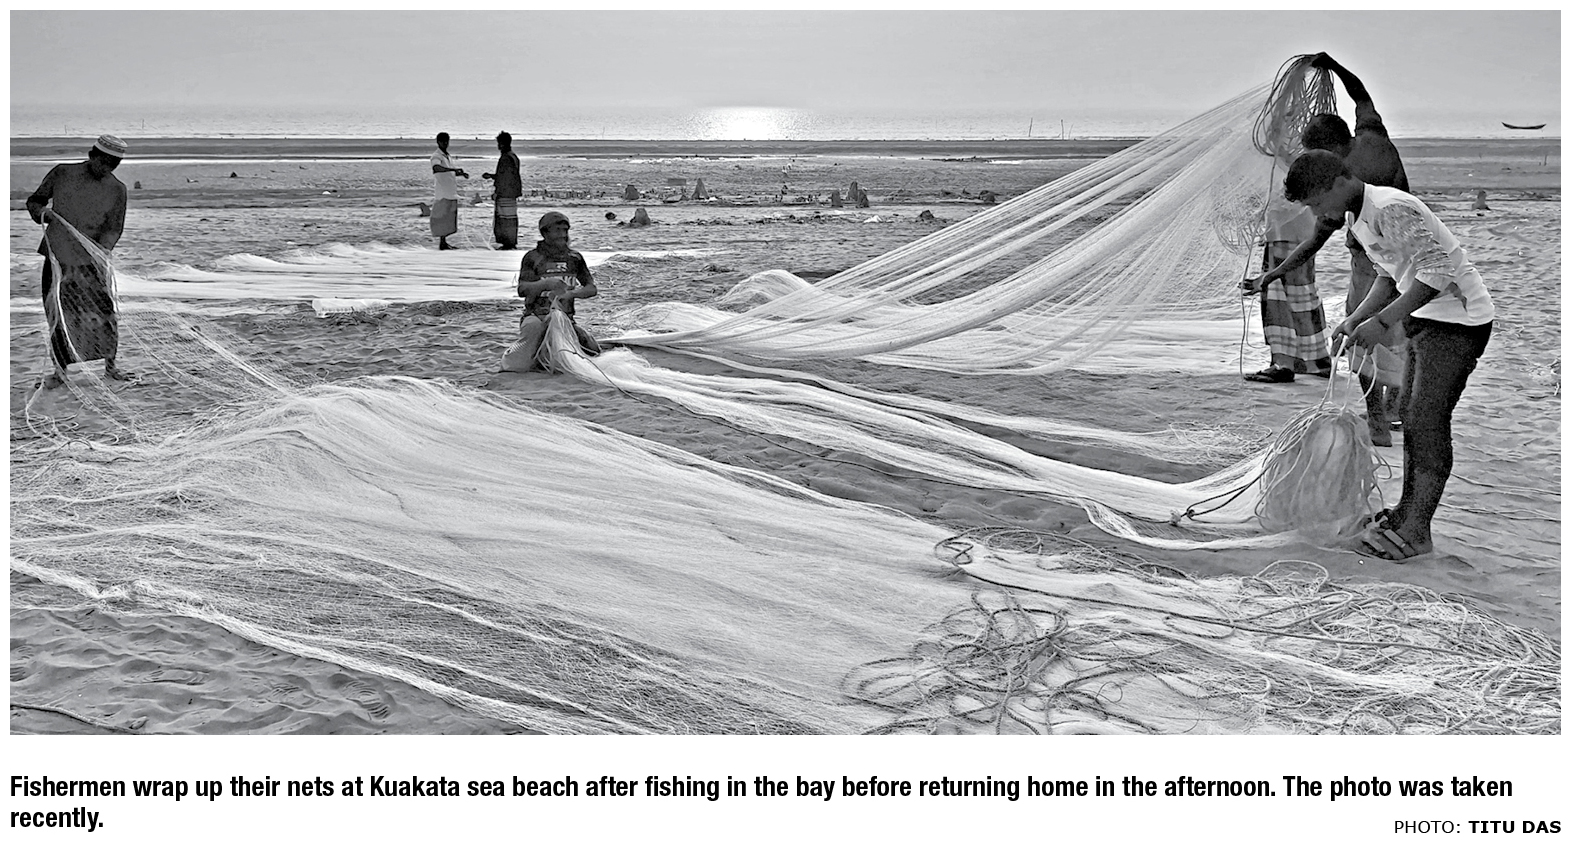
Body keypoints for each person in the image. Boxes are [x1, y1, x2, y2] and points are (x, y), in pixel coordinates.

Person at [1284, 150, 1494, 563]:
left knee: (1427, 423)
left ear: (1339, 183)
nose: (1316, 213)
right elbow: (1389, 273)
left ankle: (1417, 531)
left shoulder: (1389, 207)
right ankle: (1405, 514)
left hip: (1459, 323)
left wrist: (1381, 324)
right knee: (1413, 421)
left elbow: (1436, 273)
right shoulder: (1357, 215)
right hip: (1426, 319)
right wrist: (1356, 319)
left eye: (1317, 202)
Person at [1244, 52, 1410, 445]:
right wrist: (1333, 65)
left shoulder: (1344, 181)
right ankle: (1391, 413)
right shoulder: (1373, 136)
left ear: (1333, 148)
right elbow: (1361, 94)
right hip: (1393, 257)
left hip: (1383, 260)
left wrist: (1272, 274)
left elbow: (1315, 240)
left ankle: (1380, 420)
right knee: (1393, 337)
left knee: (1367, 335)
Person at [25, 134, 132, 388]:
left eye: (113, 165)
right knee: (59, 315)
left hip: (92, 261)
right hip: (58, 257)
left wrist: (102, 250)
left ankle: (110, 366)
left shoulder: (118, 189)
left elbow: (114, 227)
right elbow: (35, 201)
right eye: (103, 162)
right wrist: (43, 213)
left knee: (103, 313)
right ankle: (60, 371)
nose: (106, 168)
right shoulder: (63, 173)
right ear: (92, 155)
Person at [1242, 197, 1333, 383]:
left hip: (1286, 230)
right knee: (1301, 294)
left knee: (1279, 296)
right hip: (1299, 230)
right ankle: (1314, 360)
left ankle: (1284, 363)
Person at [501, 212, 602, 372]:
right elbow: (522, 289)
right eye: (557, 230)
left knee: (594, 351)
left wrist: (572, 294)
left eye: (565, 230)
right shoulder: (533, 257)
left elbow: (591, 288)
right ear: (545, 233)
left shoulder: (575, 258)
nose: (562, 235)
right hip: (536, 317)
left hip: (565, 320)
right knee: (520, 363)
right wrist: (545, 284)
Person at [480, 131, 523, 250]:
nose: (498, 146)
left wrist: (497, 192)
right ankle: (510, 242)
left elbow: (504, 178)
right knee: (510, 218)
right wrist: (492, 176)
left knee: (504, 218)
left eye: (499, 143)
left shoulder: (505, 158)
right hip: (512, 193)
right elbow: (507, 175)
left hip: (505, 193)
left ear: (502, 144)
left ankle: (507, 243)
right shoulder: (513, 156)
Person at [430, 132, 468, 250]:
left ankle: (444, 242)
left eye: (446, 141)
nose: (445, 143)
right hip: (442, 192)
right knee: (442, 217)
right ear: (438, 142)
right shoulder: (436, 156)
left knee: (448, 218)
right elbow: (436, 168)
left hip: (451, 191)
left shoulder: (447, 156)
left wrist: (459, 173)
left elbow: (448, 172)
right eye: (442, 141)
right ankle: (442, 243)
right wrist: (453, 169)